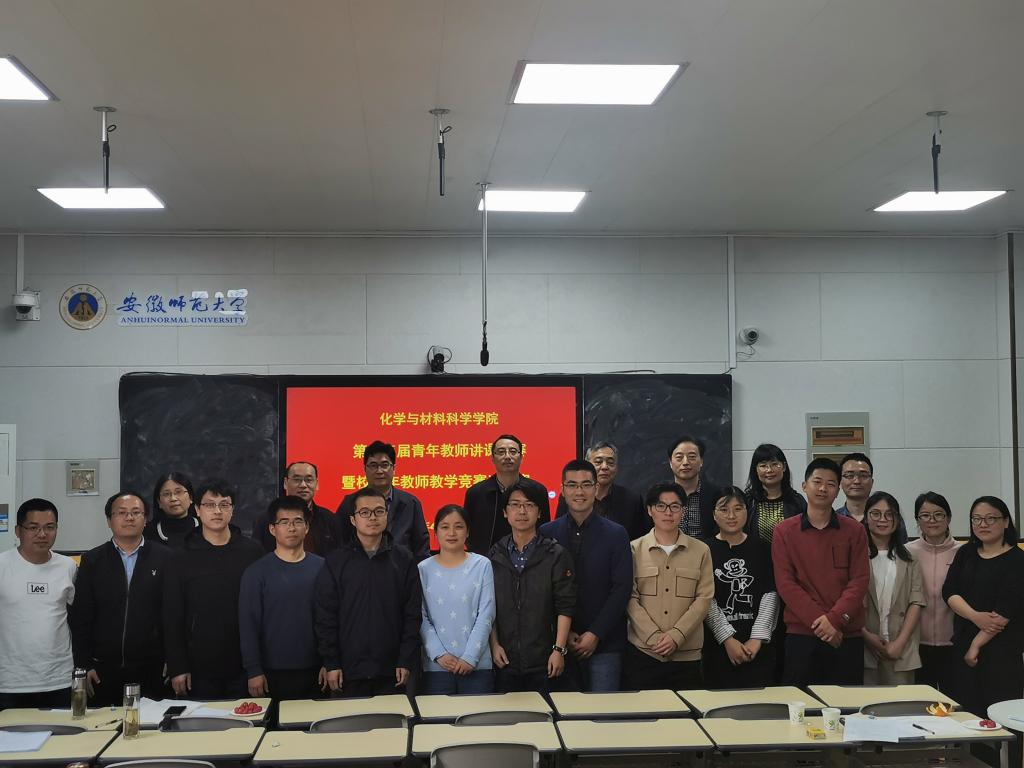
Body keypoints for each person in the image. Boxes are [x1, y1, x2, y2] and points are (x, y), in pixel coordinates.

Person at [315, 487, 422, 698]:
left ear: (387, 515)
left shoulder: (403, 559)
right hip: (348, 671)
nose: (372, 517)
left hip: (392, 670)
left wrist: (405, 659)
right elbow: (325, 616)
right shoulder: (336, 561)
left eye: (379, 511)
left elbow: (412, 614)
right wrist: (331, 662)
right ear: (353, 520)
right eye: (364, 512)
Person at [772, 458, 869, 686]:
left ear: (838, 490)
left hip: (845, 634)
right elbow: (786, 584)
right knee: (800, 705)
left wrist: (834, 621)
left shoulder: (855, 530)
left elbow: (859, 580)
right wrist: (822, 624)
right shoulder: (784, 531)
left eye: (831, 484)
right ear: (804, 486)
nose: (823, 488)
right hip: (801, 635)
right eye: (817, 482)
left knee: (847, 704)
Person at [163, 479, 263, 699]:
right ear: (197, 510)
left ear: (232, 510)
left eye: (224, 504)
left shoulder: (253, 552)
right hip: (198, 668)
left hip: (244, 666)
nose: (217, 511)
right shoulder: (180, 556)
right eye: (209, 505)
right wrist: (177, 666)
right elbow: (172, 616)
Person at [540, 459, 632, 691]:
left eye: (585, 485)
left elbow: (622, 588)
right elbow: (543, 589)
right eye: (572, 485)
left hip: (605, 643)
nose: (579, 492)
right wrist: (564, 634)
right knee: (564, 710)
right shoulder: (547, 533)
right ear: (562, 490)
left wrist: (595, 633)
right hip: (560, 643)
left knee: (602, 710)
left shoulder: (616, 533)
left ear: (596, 488)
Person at [70, 491, 169, 705]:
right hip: (102, 669)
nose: (129, 518)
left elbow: (172, 614)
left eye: (136, 512)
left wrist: (173, 660)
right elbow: (81, 617)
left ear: (145, 519)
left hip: (152, 668)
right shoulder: (93, 560)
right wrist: (84, 663)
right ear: (109, 520)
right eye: (121, 513)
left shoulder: (165, 558)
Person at [943, 496, 1024, 726]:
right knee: (967, 719)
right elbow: (949, 591)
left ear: (1006, 522)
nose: (982, 524)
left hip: (1002, 653)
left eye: (990, 518)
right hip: (963, 649)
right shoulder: (966, 553)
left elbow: (1005, 611)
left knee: (1003, 721)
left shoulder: (1018, 560)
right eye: (976, 519)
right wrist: (975, 616)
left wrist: (976, 646)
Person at [625, 482, 714, 690]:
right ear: (650, 510)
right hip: (644, 653)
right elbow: (629, 598)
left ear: (683, 510)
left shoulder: (701, 551)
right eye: (661, 506)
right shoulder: (633, 549)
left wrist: (676, 636)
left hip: (687, 656)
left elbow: (704, 599)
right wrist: (653, 637)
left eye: (675, 506)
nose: (668, 513)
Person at [490, 481, 575, 693]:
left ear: (539, 513)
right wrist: (494, 645)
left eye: (529, 505)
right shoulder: (494, 554)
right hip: (505, 659)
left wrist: (559, 650)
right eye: (515, 504)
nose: (522, 511)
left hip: (544, 660)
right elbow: (488, 606)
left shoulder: (555, 554)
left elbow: (565, 606)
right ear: (505, 512)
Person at [239, 496, 326, 700]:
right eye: (284, 522)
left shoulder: (323, 568)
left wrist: (329, 662)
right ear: (272, 529)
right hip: (271, 672)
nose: (291, 528)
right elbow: (248, 625)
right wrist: (254, 670)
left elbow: (331, 619)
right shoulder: (256, 572)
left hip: (316, 670)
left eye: (298, 521)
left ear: (307, 527)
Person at [0, 499, 77, 709]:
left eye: (49, 527)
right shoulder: (3, 565)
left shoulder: (68, 567)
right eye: (33, 528)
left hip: (59, 679)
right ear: (18, 531)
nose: (42, 534)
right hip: (10, 682)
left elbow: (79, 619)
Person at [703, 487, 779, 689]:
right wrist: (727, 638)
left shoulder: (763, 548)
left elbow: (771, 594)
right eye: (724, 509)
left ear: (747, 511)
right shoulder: (703, 549)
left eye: (738, 508)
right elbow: (704, 598)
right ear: (714, 514)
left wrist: (757, 638)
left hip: (758, 647)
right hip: (717, 647)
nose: (731, 516)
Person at [418, 505, 496, 694]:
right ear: (435, 532)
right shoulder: (423, 569)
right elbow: (420, 617)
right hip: (436, 668)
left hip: (477, 666)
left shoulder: (482, 565)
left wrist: (470, 657)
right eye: (445, 527)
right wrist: (439, 654)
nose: (452, 533)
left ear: (467, 532)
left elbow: (486, 614)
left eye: (459, 527)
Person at [861, 492, 925, 685]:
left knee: (901, 702)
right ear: (866, 518)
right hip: (864, 647)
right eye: (876, 513)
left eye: (889, 514)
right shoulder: (855, 555)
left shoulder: (910, 558)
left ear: (897, 519)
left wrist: (899, 643)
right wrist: (867, 636)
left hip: (901, 649)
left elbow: (916, 602)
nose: (883, 519)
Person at [336, 442, 430, 560]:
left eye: (384, 465)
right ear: (365, 469)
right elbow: (339, 542)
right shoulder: (350, 502)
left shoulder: (411, 503)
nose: (379, 471)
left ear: (394, 468)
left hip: (402, 568)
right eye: (373, 465)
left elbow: (421, 547)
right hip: (360, 567)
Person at [906, 492, 961, 690]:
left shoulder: (963, 552)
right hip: (916, 643)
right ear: (917, 520)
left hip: (955, 644)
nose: (932, 520)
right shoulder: (907, 552)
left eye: (938, 514)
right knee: (920, 701)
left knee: (954, 701)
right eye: (925, 515)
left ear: (948, 518)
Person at [466, 434, 550, 554]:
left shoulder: (537, 491)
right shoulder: (476, 493)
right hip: (486, 561)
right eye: (501, 452)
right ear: (492, 458)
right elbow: (468, 533)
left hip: (529, 559)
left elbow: (544, 530)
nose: (507, 456)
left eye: (513, 452)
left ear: (521, 457)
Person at [555, 442, 648, 540]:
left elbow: (640, 540)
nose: (604, 467)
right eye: (598, 462)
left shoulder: (632, 500)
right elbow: (558, 533)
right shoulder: (572, 496)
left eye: (610, 463)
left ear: (617, 468)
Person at [258, 462, 340, 556]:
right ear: (285, 483)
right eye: (297, 479)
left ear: (317, 484)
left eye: (309, 480)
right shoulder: (266, 520)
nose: (303, 485)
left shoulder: (330, 520)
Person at [744, 444, 806, 544]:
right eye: (763, 466)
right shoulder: (748, 501)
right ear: (755, 469)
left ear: (784, 467)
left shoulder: (796, 501)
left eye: (774, 464)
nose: (769, 470)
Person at [668, 436, 721, 539]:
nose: (685, 462)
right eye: (679, 457)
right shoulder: (660, 496)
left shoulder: (716, 495)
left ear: (701, 461)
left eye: (692, 457)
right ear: (670, 462)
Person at [146, 472, 200, 547]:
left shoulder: (206, 528)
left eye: (178, 492)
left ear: (190, 498)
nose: (173, 498)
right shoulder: (147, 533)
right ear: (159, 502)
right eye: (166, 494)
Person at [836, 453, 873, 522]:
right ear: (840, 481)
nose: (857, 481)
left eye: (863, 475)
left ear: (872, 482)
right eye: (850, 476)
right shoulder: (833, 520)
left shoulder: (884, 519)